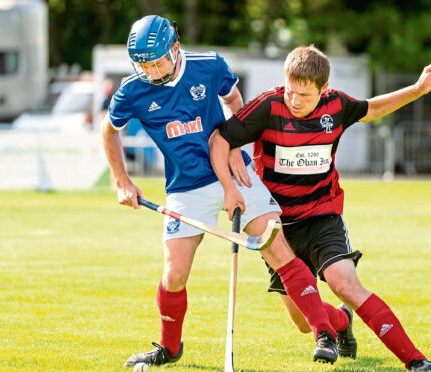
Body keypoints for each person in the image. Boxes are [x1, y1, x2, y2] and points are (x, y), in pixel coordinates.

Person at [101, 17, 347, 368]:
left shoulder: (209, 65)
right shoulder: (132, 90)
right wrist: (121, 180)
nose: (152, 71)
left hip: (234, 172)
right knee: (174, 275)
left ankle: (325, 331)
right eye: (144, 64)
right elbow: (109, 131)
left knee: (277, 248)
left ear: (175, 48)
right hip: (185, 187)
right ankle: (170, 348)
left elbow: (235, 103)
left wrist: (235, 145)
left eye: (158, 61)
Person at [209, 44, 431, 371]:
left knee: (345, 284)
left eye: (304, 96)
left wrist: (418, 89)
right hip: (276, 225)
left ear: (323, 89)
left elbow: (373, 109)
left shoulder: (337, 106)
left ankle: (416, 360)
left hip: (322, 215)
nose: (294, 100)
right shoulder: (268, 106)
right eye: (290, 91)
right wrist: (229, 184)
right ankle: (340, 323)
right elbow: (220, 137)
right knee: (304, 321)